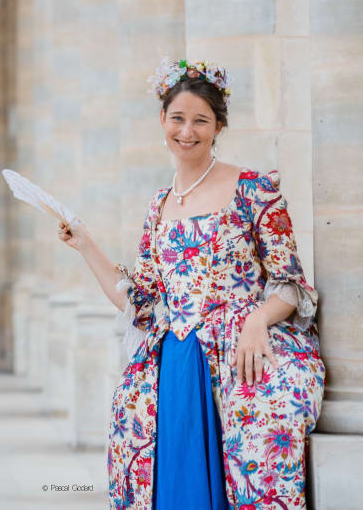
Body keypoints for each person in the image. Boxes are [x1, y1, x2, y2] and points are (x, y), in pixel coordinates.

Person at [58, 59, 325, 509]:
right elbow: (139, 303)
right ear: (162, 120)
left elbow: (291, 283)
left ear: (218, 125)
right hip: (175, 356)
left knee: (264, 426)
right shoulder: (158, 205)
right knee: (132, 421)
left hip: (240, 346)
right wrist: (86, 246)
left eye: (200, 120)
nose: (187, 131)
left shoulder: (255, 189)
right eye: (177, 118)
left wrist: (259, 319)